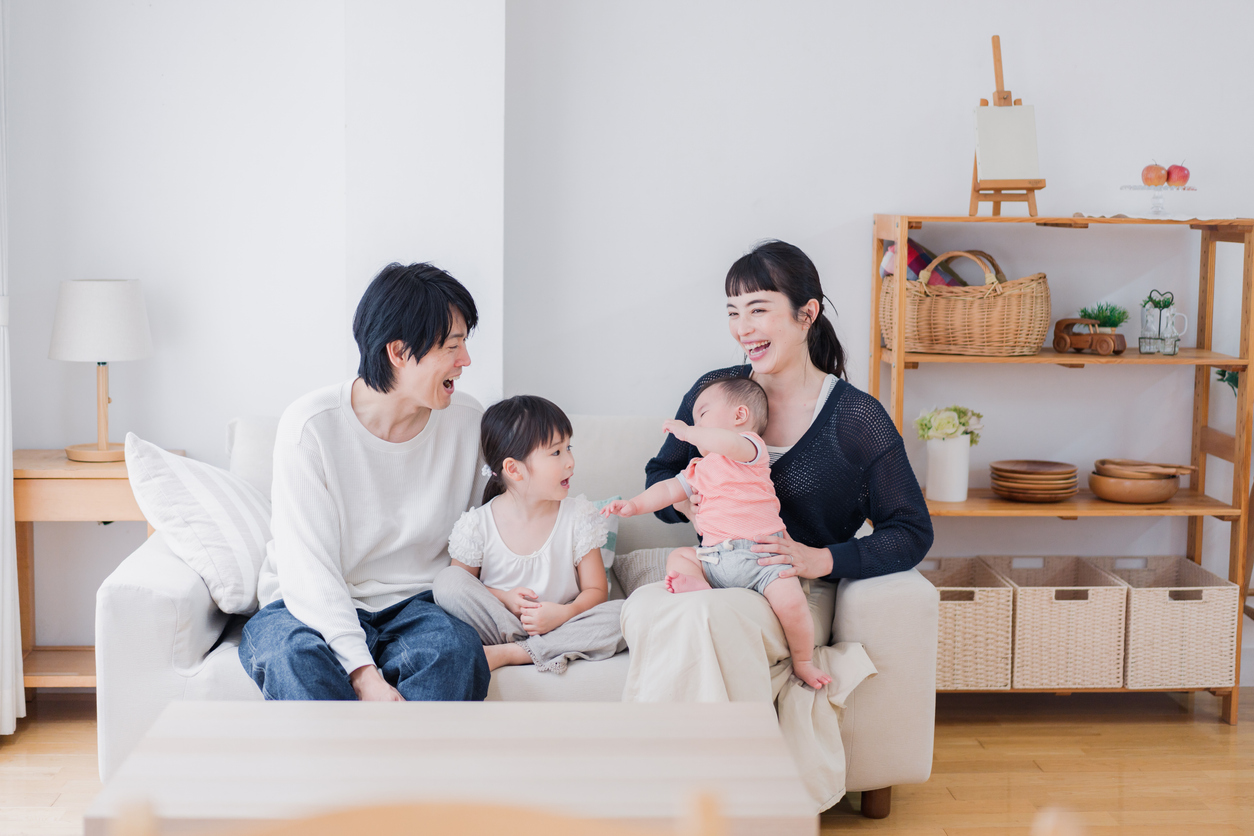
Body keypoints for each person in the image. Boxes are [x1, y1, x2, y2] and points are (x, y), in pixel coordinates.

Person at [620, 239, 933, 702]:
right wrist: (690, 506)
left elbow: (911, 531)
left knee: (706, 619)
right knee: (656, 610)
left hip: (792, 592)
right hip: (716, 571)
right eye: (733, 312)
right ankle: (688, 747)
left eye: (758, 310)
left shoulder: (855, 418)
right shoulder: (716, 393)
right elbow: (661, 473)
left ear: (807, 314)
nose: (742, 329)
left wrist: (820, 559)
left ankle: (694, 748)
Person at [239, 262, 491, 702]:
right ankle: (353, 752)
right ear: (399, 352)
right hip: (303, 605)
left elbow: (492, 529)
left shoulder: (469, 422)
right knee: (292, 658)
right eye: (452, 346)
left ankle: (404, 753)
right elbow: (309, 570)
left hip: (417, 605)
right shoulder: (311, 427)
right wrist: (362, 671)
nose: (465, 360)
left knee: (455, 652)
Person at [602, 377, 831, 689]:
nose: (696, 427)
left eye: (703, 415)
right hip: (714, 559)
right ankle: (697, 586)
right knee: (681, 557)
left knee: (792, 603)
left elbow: (727, 443)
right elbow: (668, 490)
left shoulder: (750, 450)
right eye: (694, 422)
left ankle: (803, 661)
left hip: (763, 560)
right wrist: (634, 505)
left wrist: (687, 432)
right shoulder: (698, 468)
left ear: (739, 416)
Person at [433, 395, 625, 673]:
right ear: (514, 469)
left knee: (623, 615)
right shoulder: (477, 524)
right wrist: (504, 598)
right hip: (502, 625)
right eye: (556, 452)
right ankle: (540, 647)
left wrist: (564, 613)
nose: (570, 462)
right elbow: (463, 585)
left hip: (564, 623)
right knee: (446, 582)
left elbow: (597, 592)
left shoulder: (578, 516)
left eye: (568, 448)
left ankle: (516, 653)